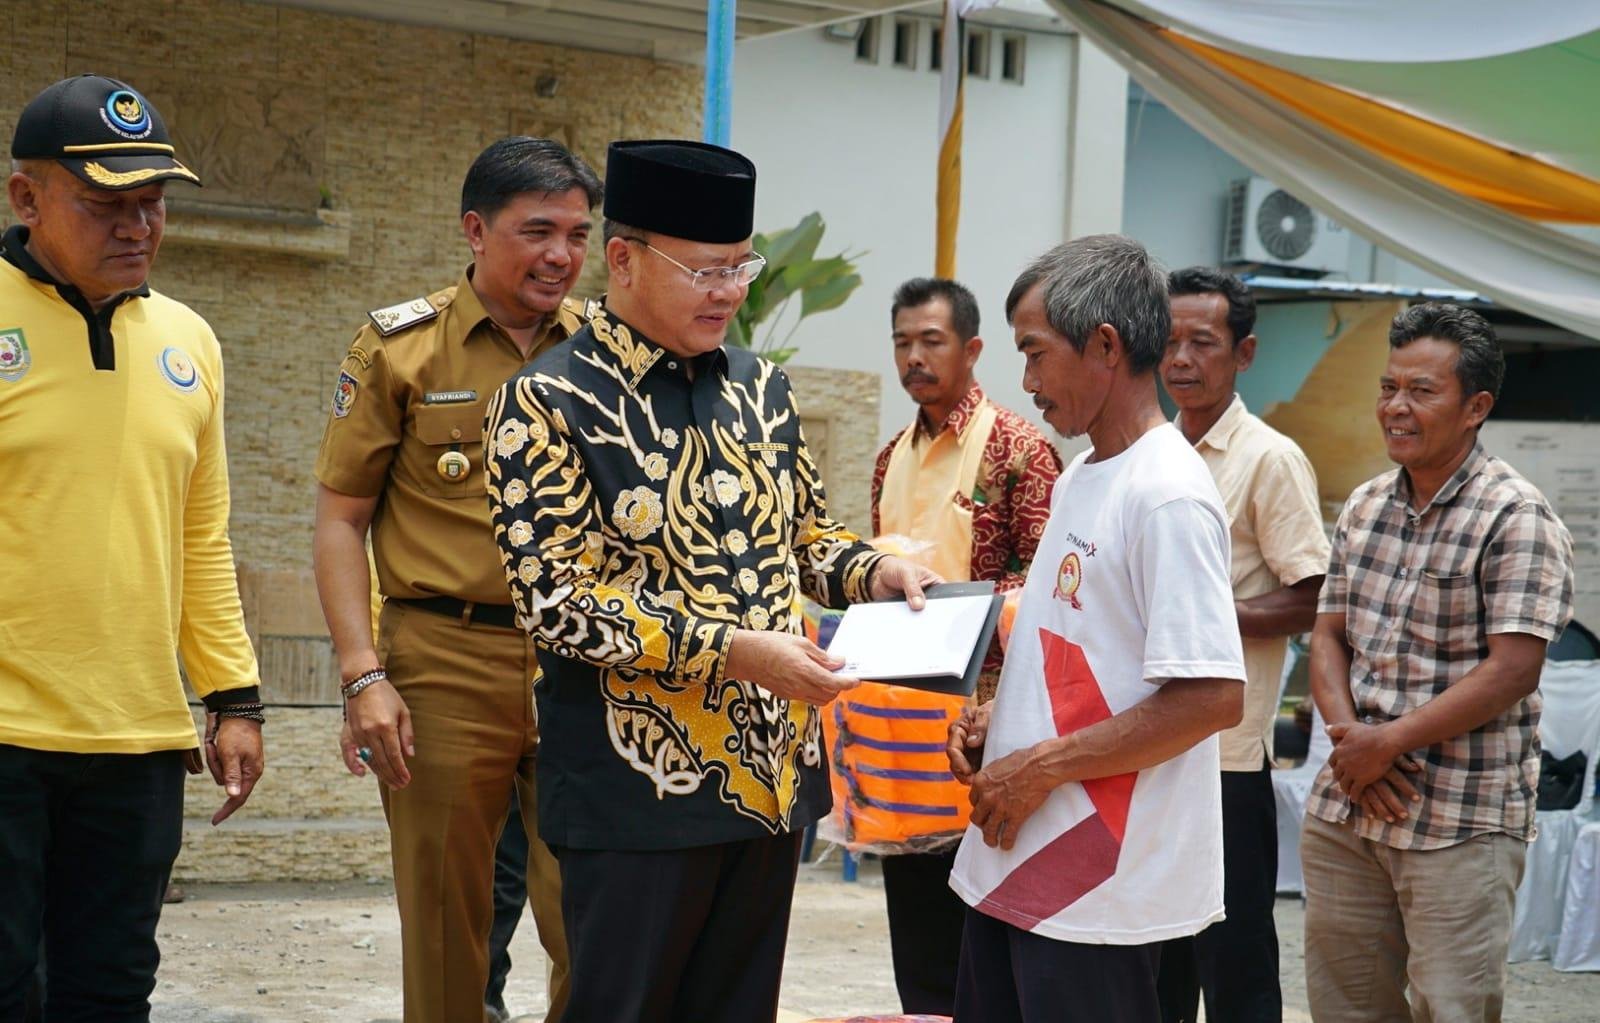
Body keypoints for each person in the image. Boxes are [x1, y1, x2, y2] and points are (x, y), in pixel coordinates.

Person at [484, 139, 939, 1023]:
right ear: (622, 258)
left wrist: (873, 569)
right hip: (638, 787)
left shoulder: (760, 387)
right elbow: (555, 601)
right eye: (706, 271)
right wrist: (735, 652)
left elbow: (807, 535)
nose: (730, 291)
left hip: (771, 782)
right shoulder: (549, 400)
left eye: (741, 267)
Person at [312, 136, 600, 1023]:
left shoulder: (606, 354)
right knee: (445, 928)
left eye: (579, 234)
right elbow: (338, 519)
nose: (561, 254)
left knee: (594, 915)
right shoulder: (401, 349)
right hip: (442, 659)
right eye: (538, 230)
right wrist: (364, 674)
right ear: (476, 230)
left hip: (582, 663)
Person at [0, 74, 265, 1020]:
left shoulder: (189, 339)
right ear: (25, 198)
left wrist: (234, 696)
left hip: (138, 739)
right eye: (106, 205)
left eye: (151, 205)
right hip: (5, 737)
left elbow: (201, 534)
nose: (138, 228)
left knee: (111, 994)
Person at [945, 235, 1246, 1023]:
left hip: (1098, 888)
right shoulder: (1084, 474)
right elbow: (1077, 655)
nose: (1029, 381)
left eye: (1036, 354)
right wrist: (999, 728)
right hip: (1019, 864)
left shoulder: (1167, 493)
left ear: (1105, 345)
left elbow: (1212, 695)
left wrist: (1037, 765)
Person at [1304, 302, 1574, 1022]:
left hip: (1461, 815)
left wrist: (1385, 741)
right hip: (1349, 803)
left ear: (1475, 406)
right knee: (1344, 1006)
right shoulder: (1365, 505)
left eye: (1421, 391)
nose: (1396, 406)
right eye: (1389, 387)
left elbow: (1514, 668)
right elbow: (1328, 633)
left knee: (1451, 1008)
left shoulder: (1517, 516)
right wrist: (1350, 741)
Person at [866, 276, 1061, 1014]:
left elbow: (1046, 588)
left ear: (973, 349)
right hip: (898, 715)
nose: (914, 357)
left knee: (981, 920)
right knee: (911, 923)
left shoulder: (1019, 449)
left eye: (931, 341)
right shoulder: (892, 457)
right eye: (902, 342)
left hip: (985, 722)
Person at [1154, 267, 1330, 1023]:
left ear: (1244, 352)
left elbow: (1315, 595)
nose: (1181, 360)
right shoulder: (1152, 449)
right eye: (1167, 342)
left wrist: (1203, 615)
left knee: (1234, 967)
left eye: (1203, 342)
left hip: (1227, 757)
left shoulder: (1270, 457)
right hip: (1147, 747)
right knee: (1152, 957)